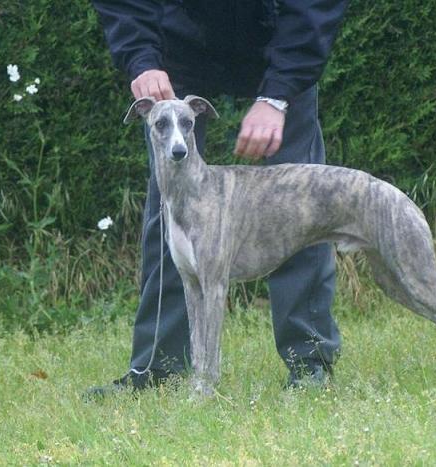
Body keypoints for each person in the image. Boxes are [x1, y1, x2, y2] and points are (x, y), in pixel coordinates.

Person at [88, 0, 349, 397]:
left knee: (301, 205)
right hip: (178, 45)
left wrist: (279, 94)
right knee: (171, 209)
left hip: (278, 36)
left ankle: (309, 364)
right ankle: (159, 369)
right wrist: (141, 59)